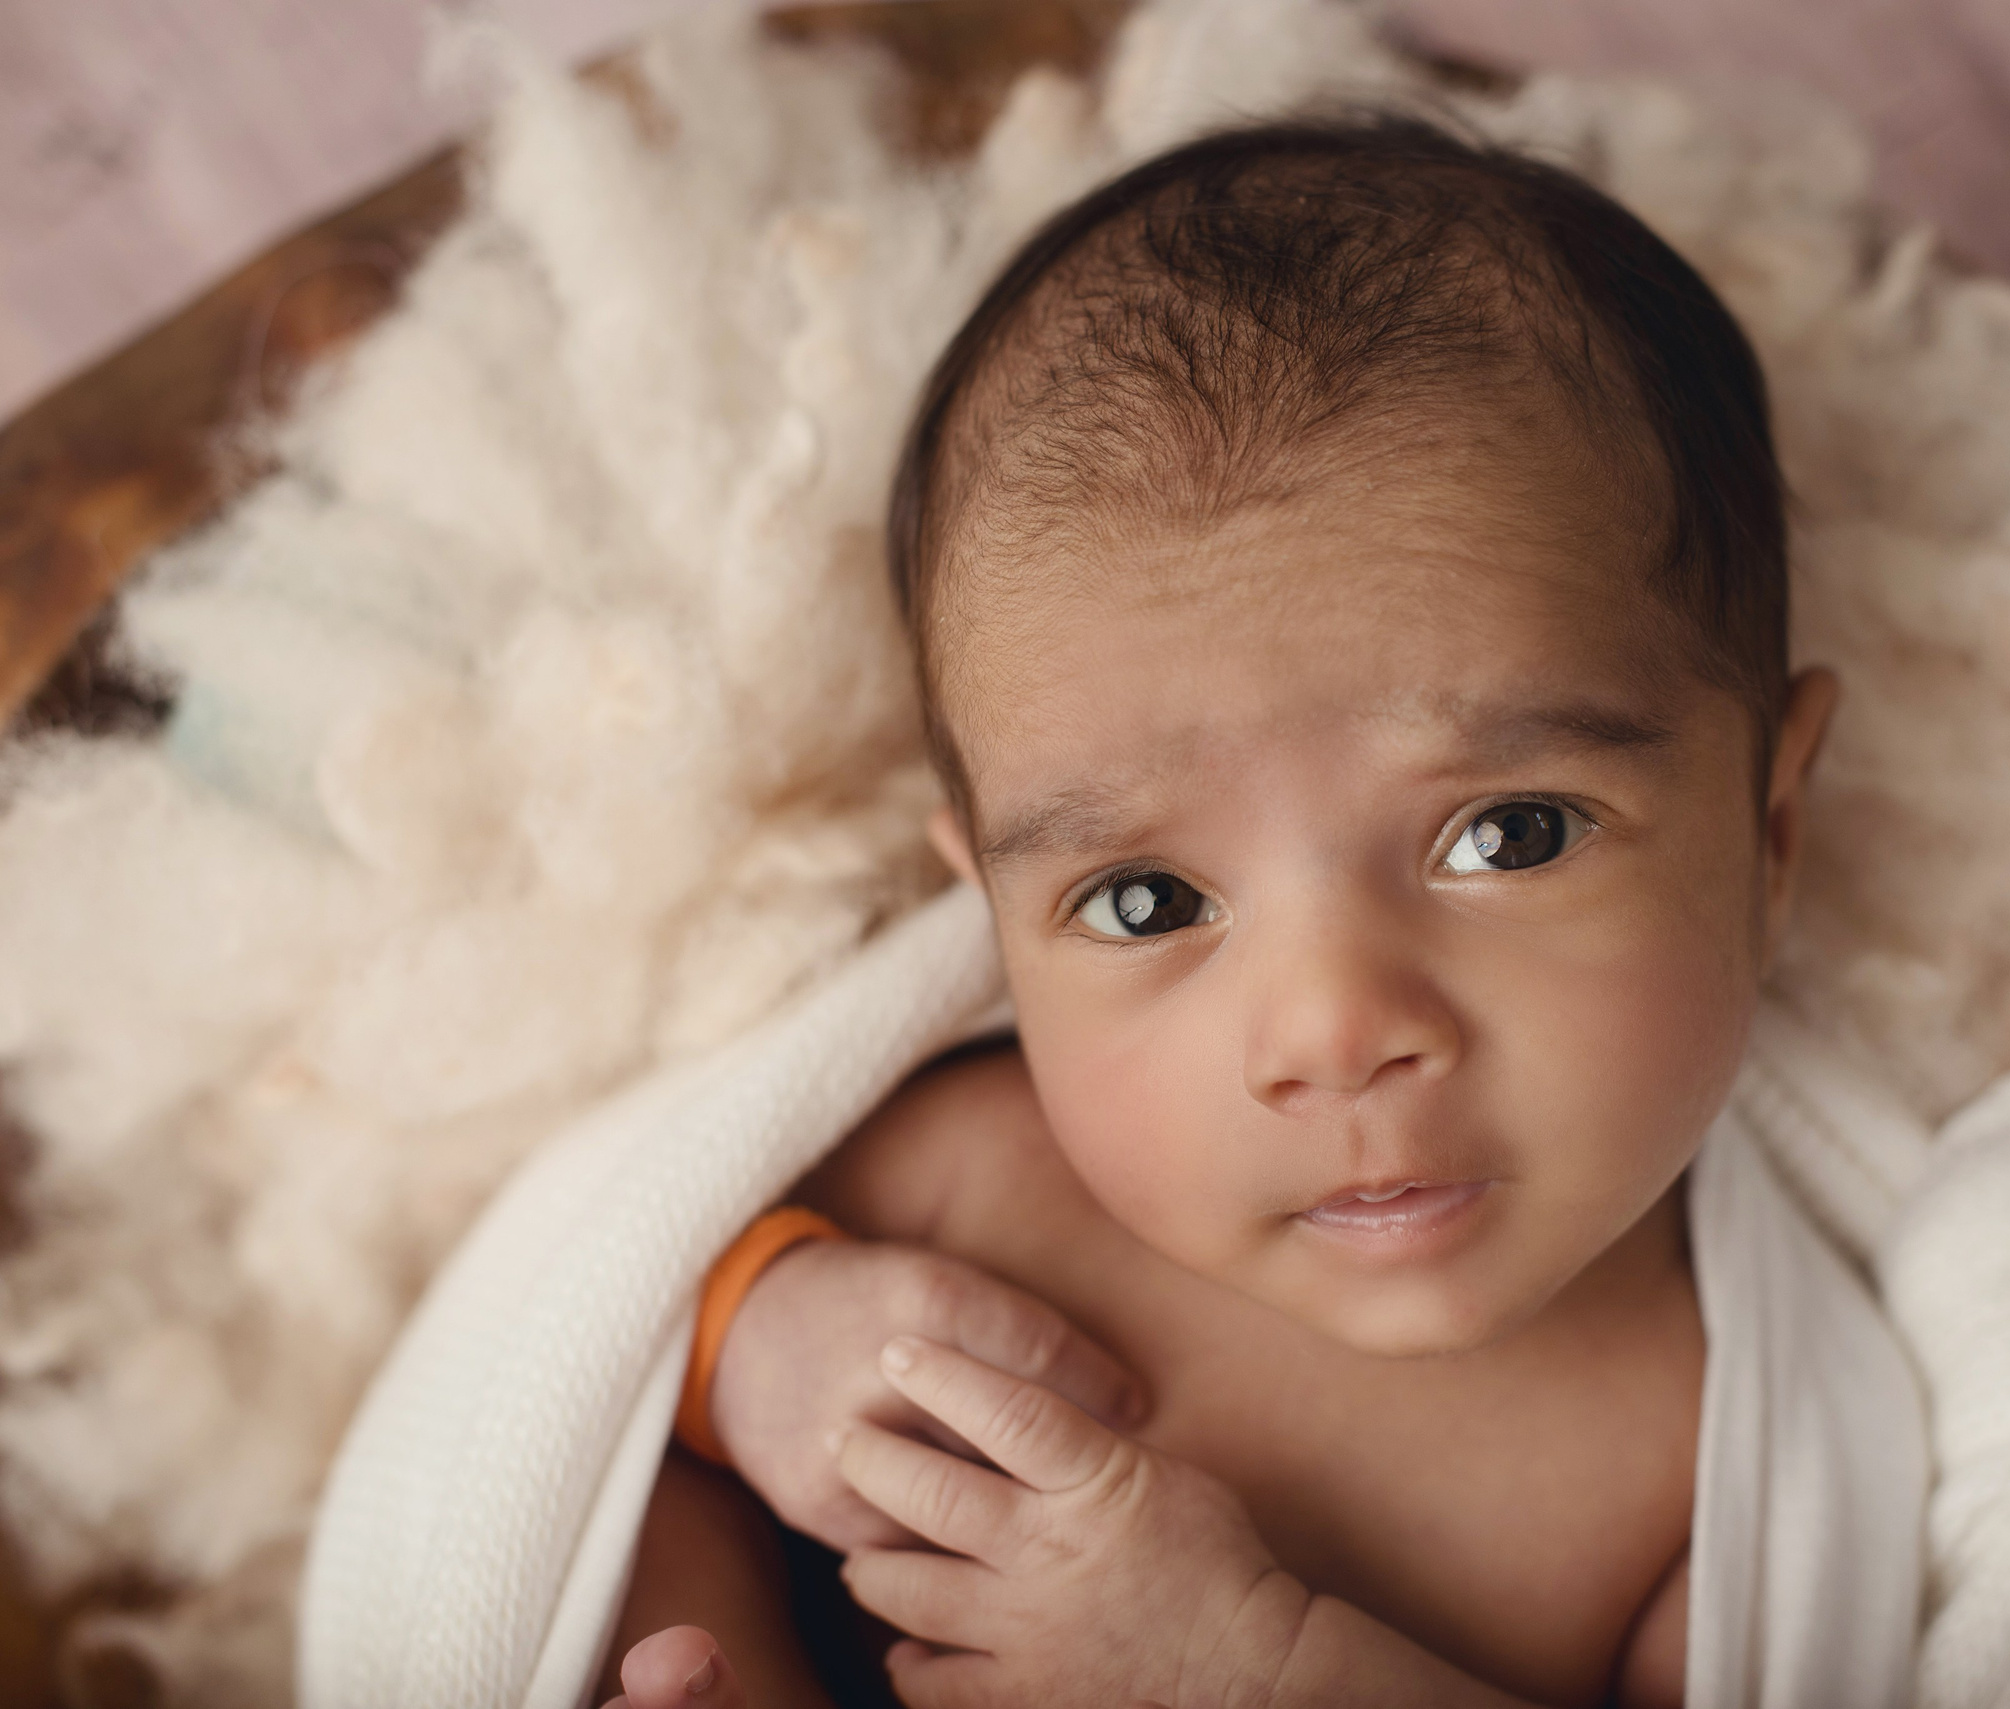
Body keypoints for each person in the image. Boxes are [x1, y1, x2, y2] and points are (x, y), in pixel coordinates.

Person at [599, 112, 1856, 1709]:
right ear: (990, 910)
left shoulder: (1722, 1460)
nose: (1336, 1028)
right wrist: (748, 1345)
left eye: (1511, 831)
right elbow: (578, 1342)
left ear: (1769, 825)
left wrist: (1254, 1665)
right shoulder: (959, 1189)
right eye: (1144, 897)